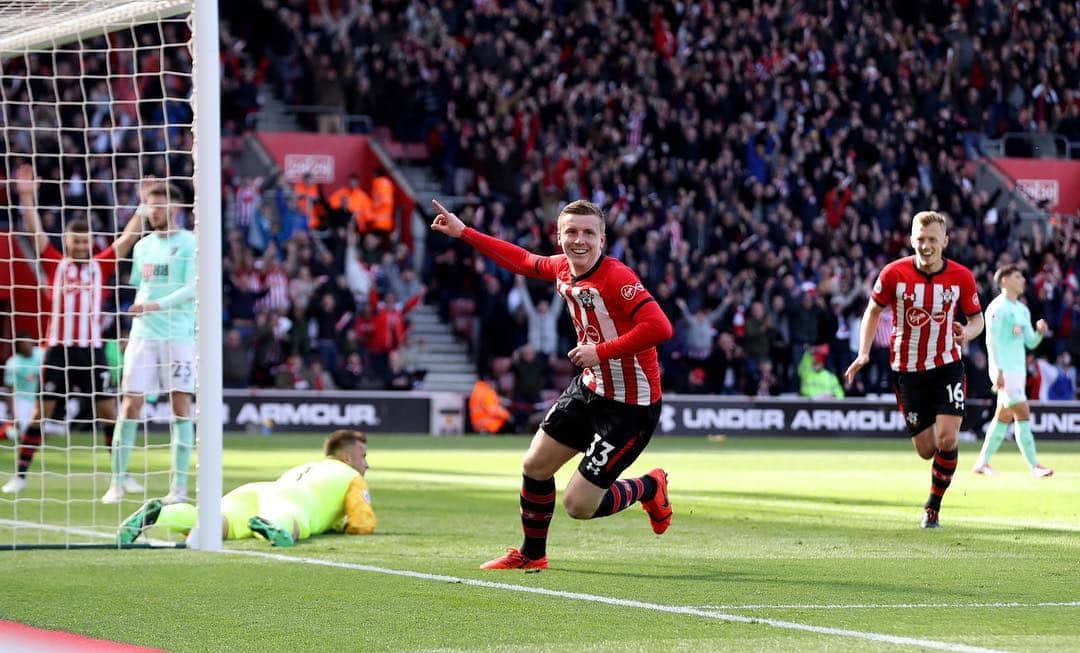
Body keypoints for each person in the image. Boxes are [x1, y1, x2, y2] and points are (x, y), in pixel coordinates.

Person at [431, 198, 673, 570]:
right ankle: (532, 555)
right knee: (535, 465)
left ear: (602, 240)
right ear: (559, 237)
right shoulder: (562, 268)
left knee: (578, 506)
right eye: (571, 232)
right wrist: (464, 233)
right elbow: (523, 260)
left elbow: (660, 327)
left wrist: (602, 351)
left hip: (631, 407)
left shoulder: (618, 277)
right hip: (591, 389)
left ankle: (649, 487)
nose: (579, 240)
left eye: (588, 233)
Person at [2, 165, 143, 495]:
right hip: (58, 349)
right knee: (41, 412)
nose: (80, 247)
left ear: (90, 243)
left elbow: (127, 239)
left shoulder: (100, 264)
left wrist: (141, 207)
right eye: (75, 242)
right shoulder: (55, 263)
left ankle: (120, 476)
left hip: (92, 351)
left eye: (84, 242)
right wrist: (26, 197)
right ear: (66, 242)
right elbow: (35, 232)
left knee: (109, 412)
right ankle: (20, 476)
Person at [844, 211, 984, 528]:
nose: (926, 245)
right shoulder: (894, 273)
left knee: (948, 439)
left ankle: (932, 508)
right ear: (911, 240)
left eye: (932, 239)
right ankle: (939, 471)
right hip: (907, 371)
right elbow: (872, 311)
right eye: (920, 239)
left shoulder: (961, 276)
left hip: (947, 364)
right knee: (926, 450)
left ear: (945, 241)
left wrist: (968, 332)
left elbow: (977, 318)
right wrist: (864, 352)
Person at [118, 429, 375, 547]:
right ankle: (276, 528)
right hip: (292, 500)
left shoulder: (306, 466)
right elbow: (362, 523)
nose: (367, 464)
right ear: (348, 459)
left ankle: (162, 513)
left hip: (257, 490)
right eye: (363, 456)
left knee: (213, 522)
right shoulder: (351, 476)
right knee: (293, 520)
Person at [105, 179, 197, 504]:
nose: (153, 211)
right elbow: (141, 287)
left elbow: (192, 288)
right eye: (149, 204)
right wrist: (144, 311)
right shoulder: (142, 247)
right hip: (144, 334)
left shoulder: (190, 242)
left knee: (181, 406)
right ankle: (116, 483)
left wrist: (155, 306)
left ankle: (179, 488)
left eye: (158, 205)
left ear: (176, 208)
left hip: (180, 334)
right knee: (130, 404)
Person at [972, 265, 1054, 477]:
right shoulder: (997, 309)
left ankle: (982, 463)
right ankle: (1035, 466)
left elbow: (1030, 342)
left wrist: (1039, 332)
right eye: (1018, 277)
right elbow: (992, 343)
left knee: (1003, 417)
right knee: (1022, 413)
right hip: (1004, 371)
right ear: (1005, 281)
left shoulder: (1022, 309)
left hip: (1018, 371)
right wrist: (997, 371)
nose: (1023, 280)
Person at [1, 335, 42, 440]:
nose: (28, 346)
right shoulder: (13, 363)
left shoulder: (41, 354)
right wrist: (14, 414)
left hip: (39, 398)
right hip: (21, 400)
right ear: (18, 347)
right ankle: (7, 429)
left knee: (42, 428)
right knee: (25, 431)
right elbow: (9, 390)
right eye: (24, 344)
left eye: (29, 343)